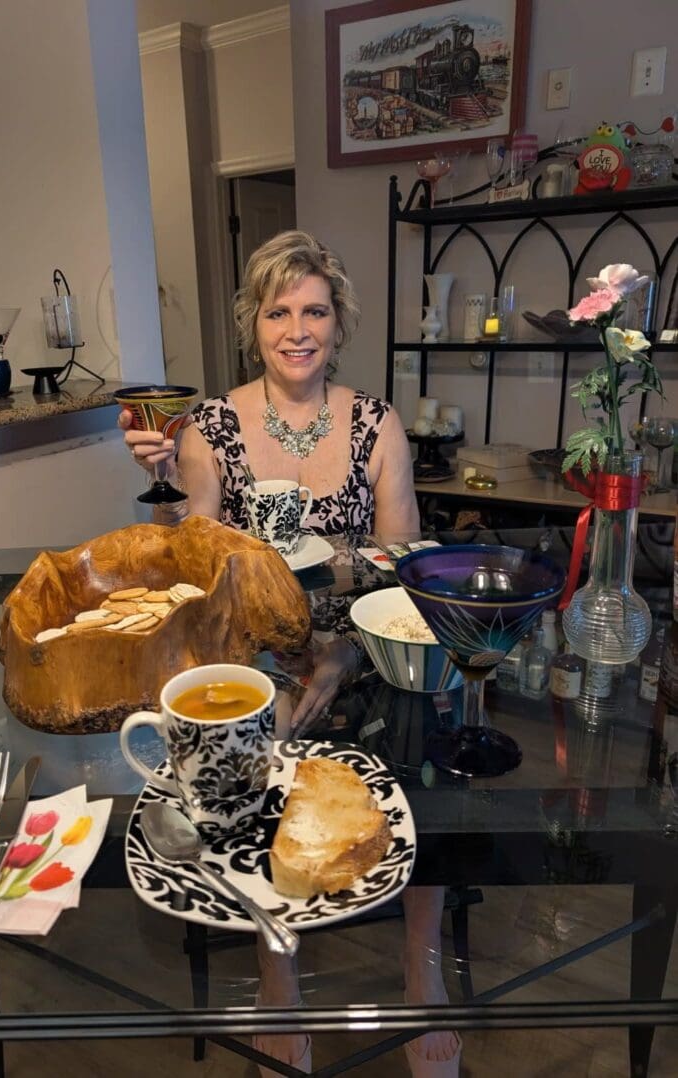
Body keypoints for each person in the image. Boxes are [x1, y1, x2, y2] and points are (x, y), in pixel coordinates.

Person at [120, 230, 460, 1076]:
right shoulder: (208, 426)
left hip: (364, 646)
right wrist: (160, 484)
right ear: (255, 323)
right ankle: (280, 977)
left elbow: (403, 569)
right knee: (244, 742)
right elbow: (194, 562)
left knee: (431, 728)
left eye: (314, 310)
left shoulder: (377, 424)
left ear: (337, 324)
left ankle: (422, 967)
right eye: (279, 311)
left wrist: (344, 651)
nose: (297, 328)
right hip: (256, 649)